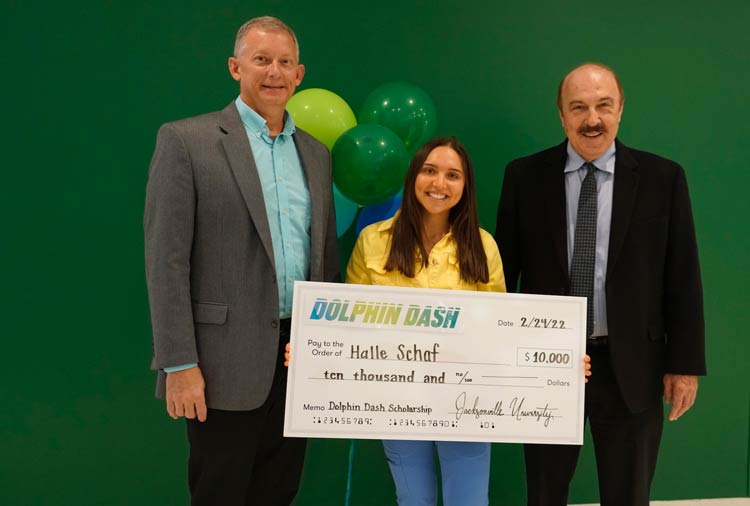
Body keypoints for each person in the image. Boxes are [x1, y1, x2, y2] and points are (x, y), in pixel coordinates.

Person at [143, 16, 339, 506]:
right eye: (261, 60)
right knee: (220, 493)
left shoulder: (316, 155)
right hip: (218, 365)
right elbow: (166, 262)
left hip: (299, 361)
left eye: (285, 62)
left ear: (300, 75)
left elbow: (325, 261)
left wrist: (323, 345)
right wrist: (178, 364)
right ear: (235, 67)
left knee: (280, 490)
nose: (274, 71)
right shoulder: (187, 142)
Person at [494, 62, 705, 506]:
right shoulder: (523, 177)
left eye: (603, 106)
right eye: (579, 107)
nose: (592, 119)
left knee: (628, 495)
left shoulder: (663, 179)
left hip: (632, 365)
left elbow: (682, 276)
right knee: (545, 493)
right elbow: (501, 275)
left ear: (621, 109)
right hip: (546, 364)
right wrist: (498, 359)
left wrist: (684, 364)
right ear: (562, 115)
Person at [348, 136, 506, 505]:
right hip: (397, 401)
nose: (439, 184)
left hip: (467, 403)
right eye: (429, 171)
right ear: (412, 177)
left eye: (453, 175)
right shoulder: (373, 242)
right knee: (413, 500)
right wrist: (313, 348)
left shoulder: (484, 247)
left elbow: (502, 331)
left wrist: (555, 366)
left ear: (465, 188)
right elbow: (347, 324)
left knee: (468, 501)